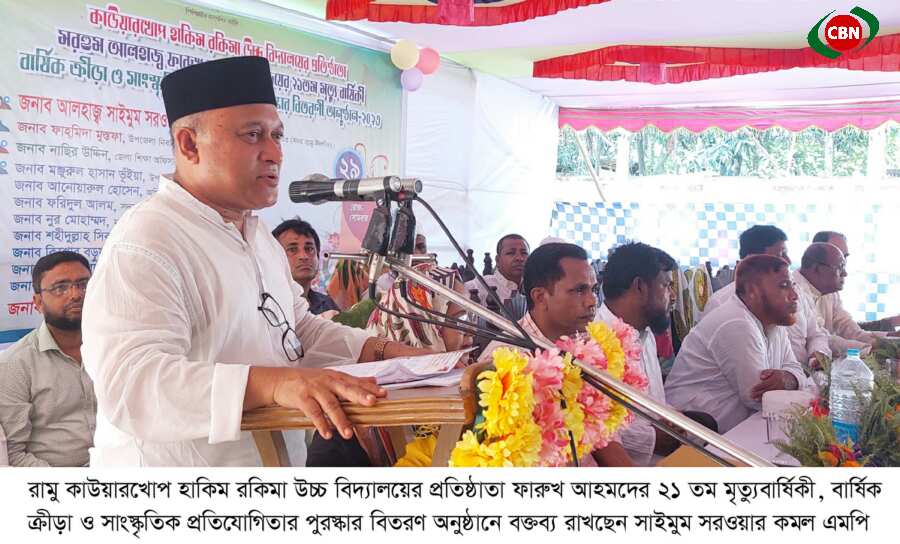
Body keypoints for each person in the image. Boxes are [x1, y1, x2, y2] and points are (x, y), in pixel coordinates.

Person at [81, 56, 429, 467]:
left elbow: (296, 331)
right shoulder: (147, 239)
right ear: (189, 144)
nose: (274, 153)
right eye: (253, 135)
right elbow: (132, 384)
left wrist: (385, 353)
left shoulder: (258, 235)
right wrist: (272, 384)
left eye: (277, 135)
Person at [478, 243, 634, 466]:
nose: (592, 301)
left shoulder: (584, 343)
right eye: (579, 290)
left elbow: (602, 433)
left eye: (593, 289)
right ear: (540, 297)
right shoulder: (506, 364)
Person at [597, 243, 717, 465]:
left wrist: (672, 420)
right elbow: (595, 426)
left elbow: (653, 402)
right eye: (666, 285)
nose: (673, 296)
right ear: (640, 287)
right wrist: (654, 438)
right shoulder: (594, 341)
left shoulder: (645, 332)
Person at [665, 255, 806, 433]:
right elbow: (757, 397)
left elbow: (796, 369)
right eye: (784, 286)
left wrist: (788, 378)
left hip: (733, 429)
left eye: (793, 285)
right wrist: (791, 381)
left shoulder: (773, 321)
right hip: (692, 435)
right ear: (753, 291)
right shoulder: (736, 322)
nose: (794, 295)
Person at [0, 251, 96, 466]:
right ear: (38, 302)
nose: (76, 294)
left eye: (84, 284)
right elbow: (13, 455)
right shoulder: (15, 364)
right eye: (60, 287)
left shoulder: (113, 348)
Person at [810, 231, 897, 348]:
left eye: (845, 256)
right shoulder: (796, 292)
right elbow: (824, 339)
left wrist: (892, 338)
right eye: (837, 255)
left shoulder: (831, 291)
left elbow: (851, 330)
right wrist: (868, 349)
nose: (843, 264)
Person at [703, 225, 790, 315]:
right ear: (753, 260)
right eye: (781, 255)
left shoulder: (788, 297)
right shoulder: (720, 303)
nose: (788, 262)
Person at [272, 218, 340, 317]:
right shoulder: (266, 305)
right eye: (292, 249)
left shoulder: (327, 304)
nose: (303, 256)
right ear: (273, 258)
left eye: (309, 249)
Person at [465, 234, 530, 306]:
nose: (519, 258)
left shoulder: (535, 288)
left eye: (524, 253)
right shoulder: (477, 286)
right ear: (498, 260)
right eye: (511, 253)